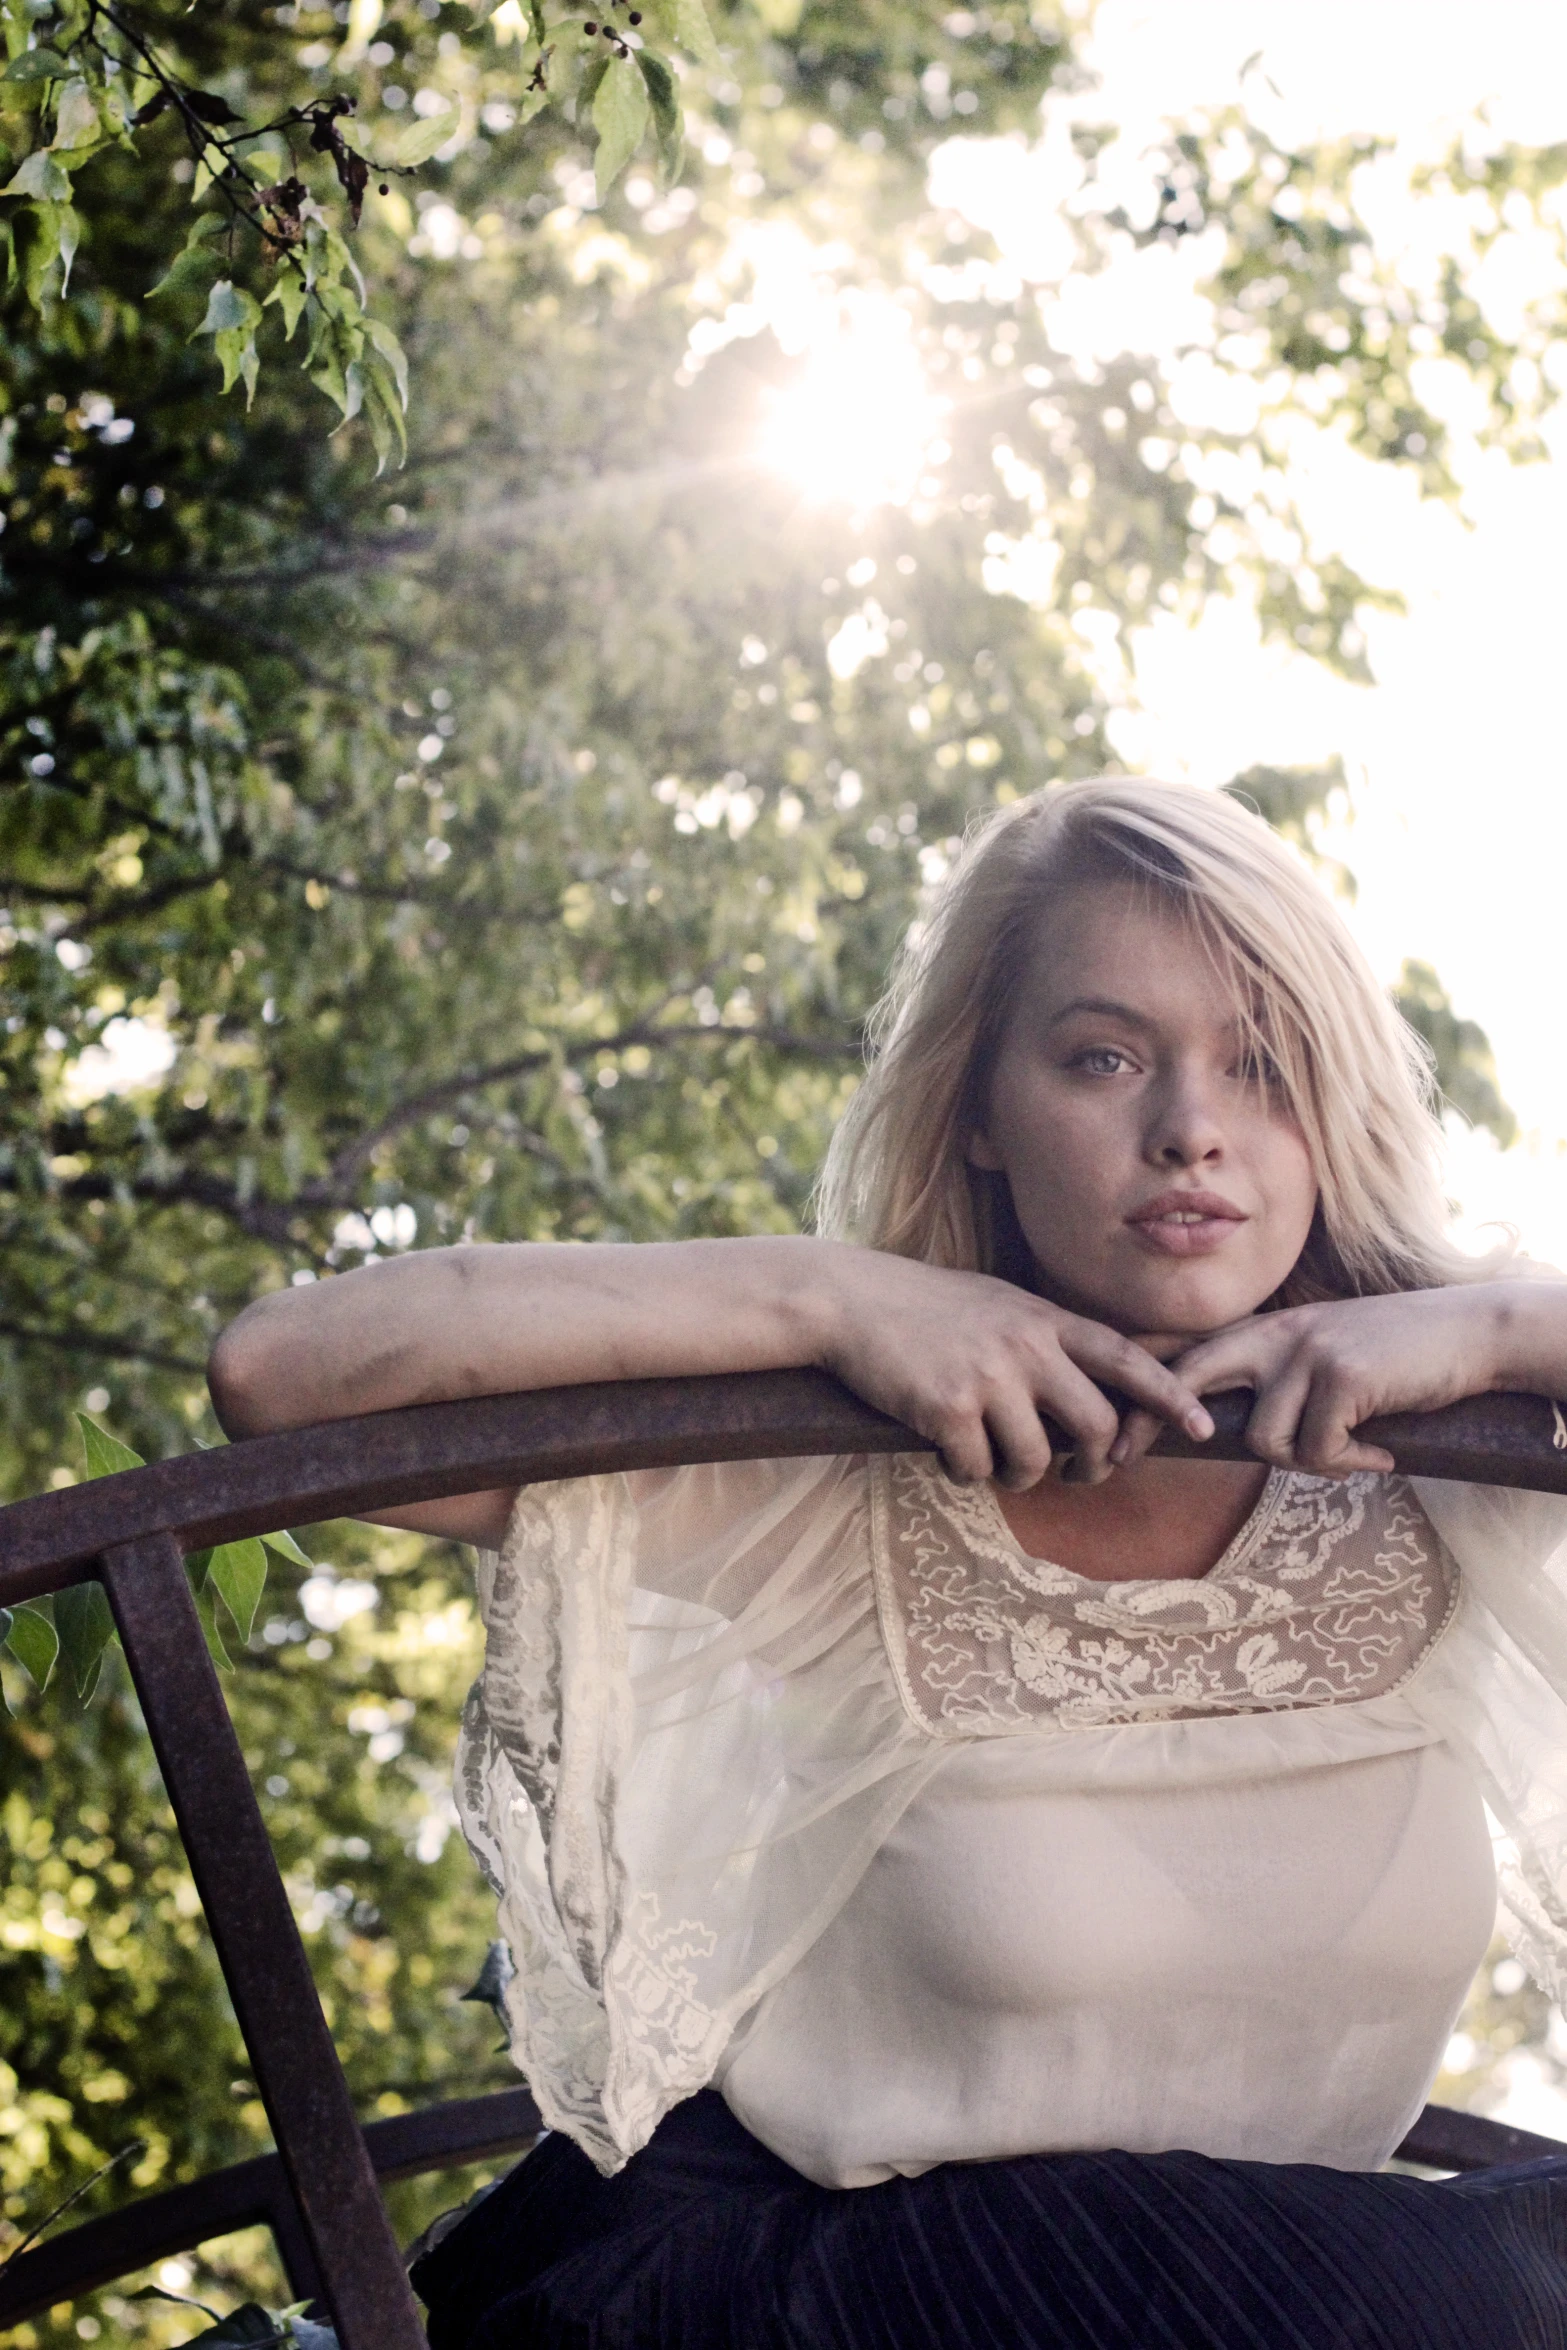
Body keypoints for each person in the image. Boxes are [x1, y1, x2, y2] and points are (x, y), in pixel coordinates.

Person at [209, 779, 1567, 2350]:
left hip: (1277, 2303)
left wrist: (1498, 1324)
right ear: (981, 1110)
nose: (1188, 1125)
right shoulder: (831, 1474)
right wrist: (829, 1300)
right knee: (1458, 2287)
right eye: (1101, 1056)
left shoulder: (1454, 1471)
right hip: (792, 2295)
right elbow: (285, 1375)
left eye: (1259, 1065)